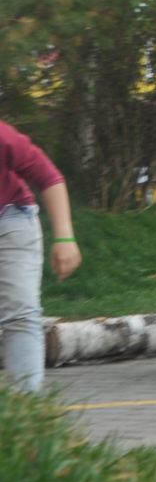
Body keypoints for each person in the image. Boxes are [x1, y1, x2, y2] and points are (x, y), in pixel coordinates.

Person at [1, 120, 81, 394]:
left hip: (9, 220)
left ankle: (27, 409)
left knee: (20, 312)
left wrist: (65, 237)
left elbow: (48, 177)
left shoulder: (2, 136)